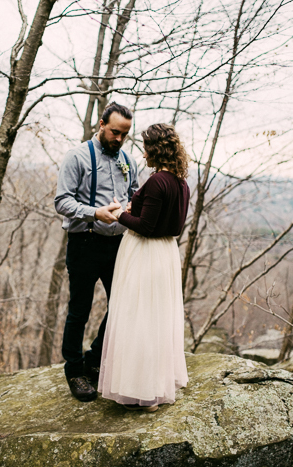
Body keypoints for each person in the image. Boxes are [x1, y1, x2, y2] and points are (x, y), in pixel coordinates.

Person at [98, 123, 190, 412]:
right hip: (165, 254)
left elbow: (146, 227)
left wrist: (118, 215)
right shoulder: (180, 182)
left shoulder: (156, 182)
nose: (142, 152)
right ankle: (153, 386)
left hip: (146, 253)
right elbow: (168, 223)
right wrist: (129, 209)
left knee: (138, 318)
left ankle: (140, 391)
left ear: (154, 149)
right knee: (156, 319)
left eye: (145, 147)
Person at [54, 102, 139, 402]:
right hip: (85, 242)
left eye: (125, 135)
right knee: (80, 309)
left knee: (123, 305)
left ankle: (94, 358)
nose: (119, 139)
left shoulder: (128, 159)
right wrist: (95, 213)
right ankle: (75, 370)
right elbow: (61, 201)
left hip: (118, 245)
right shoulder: (76, 157)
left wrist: (132, 207)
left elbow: (134, 193)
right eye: (115, 132)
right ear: (102, 124)